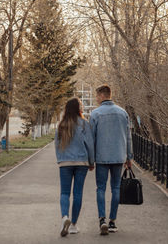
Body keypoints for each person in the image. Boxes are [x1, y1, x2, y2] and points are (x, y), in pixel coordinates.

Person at [89, 85, 133, 235]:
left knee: (100, 188)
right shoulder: (123, 113)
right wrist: (129, 157)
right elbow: (128, 137)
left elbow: (91, 138)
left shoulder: (95, 114)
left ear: (102, 95)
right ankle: (113, 222)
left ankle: (102, 219)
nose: (96, 99)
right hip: (119, 156)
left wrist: (91, 159)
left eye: (97, 96)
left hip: (101, 158)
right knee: (115, 188)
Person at [55, 98, 95, 237]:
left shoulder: (62, 125)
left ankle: (65, 217)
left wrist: (60, 159)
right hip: (81, 163)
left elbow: (57, 144)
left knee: (64, 193)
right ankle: (73, 226)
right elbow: (90, 144)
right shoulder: (84, 124)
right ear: (79, 108)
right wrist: (91, 162)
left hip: (65, 163)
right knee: (77, 193)